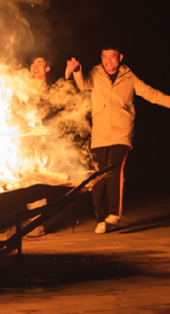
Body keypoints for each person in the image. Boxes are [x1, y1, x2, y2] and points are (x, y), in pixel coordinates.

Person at [67, 46, 170, 233]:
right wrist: (76, 70)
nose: (108, 61)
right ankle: (101, 218)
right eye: (104, 57)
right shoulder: (96, 74)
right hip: (99, 132)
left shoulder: (129, 78)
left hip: (122, 130)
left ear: (120, 57)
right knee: (97, 175)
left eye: (112, 57)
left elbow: (151, 94)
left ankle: (114, 214)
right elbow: (83, 84)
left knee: (114, 168)